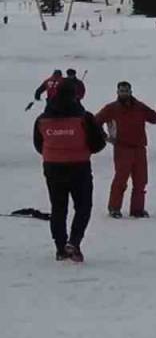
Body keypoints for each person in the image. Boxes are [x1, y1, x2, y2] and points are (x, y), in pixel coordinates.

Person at [33, 85, 107, 262]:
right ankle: (74, 242)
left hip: (52, 167)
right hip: (79, 166)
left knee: (58, 208)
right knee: (83, 206)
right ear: (75, 96)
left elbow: (38, 145)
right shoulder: (84, 117)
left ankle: (60, 248)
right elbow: (97, 144)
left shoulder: (42, 119)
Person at [95, 82, 156, 218]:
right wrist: (105, 137)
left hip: (139, 148)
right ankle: (114, 208)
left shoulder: (139, 107)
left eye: (126, 90)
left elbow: (153, 118)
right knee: (121, 180)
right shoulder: (111, 108)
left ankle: (137, 209)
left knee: (141, 181)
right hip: (122, 149)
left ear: (131, 91)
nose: (124, 93)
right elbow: (95, 122)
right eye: (121, 91)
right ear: (117, 92)